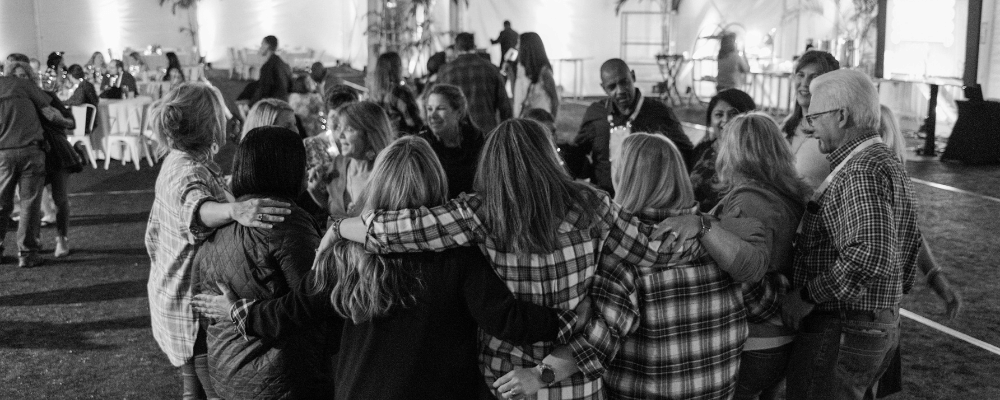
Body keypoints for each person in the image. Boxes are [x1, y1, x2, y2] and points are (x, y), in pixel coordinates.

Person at [194, 135, 585, 399]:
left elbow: (298, 309)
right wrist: (571, 317)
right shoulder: (458, 256)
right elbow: (508, 320)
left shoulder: (347, 252)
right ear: (436, 182)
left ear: (378, 182)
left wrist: (238, 311)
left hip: (360, 388)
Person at [331, 119, 686, 400]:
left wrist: (341, 228)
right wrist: (702, 224)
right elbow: (655, 251)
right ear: (550, 156)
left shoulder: (478, 214)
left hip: (501, 381)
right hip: (574, 385)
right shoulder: (595, 206)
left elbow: (411, 229)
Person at [499, 131, 764, 399]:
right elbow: (760, 300)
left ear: (625, 178)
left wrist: (538, 374)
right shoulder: (718, 238)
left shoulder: (627, 255)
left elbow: (599, 342)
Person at [144, 82, 291, 400]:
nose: (227, 119)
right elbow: (197, 209)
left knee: (193, 388)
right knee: (215, 391)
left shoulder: (184, 161)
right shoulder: (185, 173)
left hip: (177, 299)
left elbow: (208, 186)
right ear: (208, 123)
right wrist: (235, 209)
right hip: (191, 311)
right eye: (221, 113)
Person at [780, 69, 921, 399]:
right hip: (873, 322)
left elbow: (870, 253)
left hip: (846, 325)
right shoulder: (883, 161)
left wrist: (807, 296)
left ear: (841, 116)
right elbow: (906, 249)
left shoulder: (861, 170)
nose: (812, 128)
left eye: (815, 117)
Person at [193, 126, 334, 399]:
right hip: (283, 381)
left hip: (228, 377)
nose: (308, 169)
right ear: (284, 167)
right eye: (302, 162)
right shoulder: (283, 219)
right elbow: (315, 304)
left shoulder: (219, 224)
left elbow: (204, 311)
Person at [699, 112, 809, 400]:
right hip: (783, 335)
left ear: (734, 152)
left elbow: (741, 271)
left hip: (756, 336)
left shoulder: (748, 200)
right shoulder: (789, 195)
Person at [565, 58, 693, 196]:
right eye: (612, 86)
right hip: (606, 200)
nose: (620, 90)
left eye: (624, 82)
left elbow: (685, 153)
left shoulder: (658, 112)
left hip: (645, 200)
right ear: (603, 88)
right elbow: (578, 153)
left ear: (633, 76)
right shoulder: (596, 114)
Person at [0, 64, 67, 267]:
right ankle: (27, 254)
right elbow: (49, 111)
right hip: (31, 150)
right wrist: (67, 123)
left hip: (3, 153)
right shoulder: (25, 85)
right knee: (29, 203)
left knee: (2, 204)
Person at [307, 101, 395, 221]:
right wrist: (314, 190)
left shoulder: (388, 174)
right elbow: (334, 211)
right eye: (340, 128)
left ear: (369, 134)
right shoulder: (339, 165)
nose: (340, 135)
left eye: (349, 129)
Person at [690, 89, 756, 211]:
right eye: (719, 114)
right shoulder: (702, 150)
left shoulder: (753, 159)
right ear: (710, 120)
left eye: (733, 114)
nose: (725, 120)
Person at [783, 50, 840, 188]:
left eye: (814, 77)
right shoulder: (787, 125)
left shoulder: (837, 132)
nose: (804, 83)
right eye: (800, 75)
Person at [416, 84, 485, 198]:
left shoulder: (475, 138)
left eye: (440, 108)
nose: (432, 115)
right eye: (429, 109)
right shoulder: (423, 144)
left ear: (458, 113)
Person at [437, 32, 513, 133]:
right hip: (487, 131)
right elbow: (505, 107)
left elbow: (436, 103)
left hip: (456, 134)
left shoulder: (445, 71)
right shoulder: (491, 68)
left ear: (456, 48)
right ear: (474, 46)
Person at [512, 32, 559, 119]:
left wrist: (551, 121)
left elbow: (555, 100)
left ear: (527, 47)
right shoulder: (522, 70)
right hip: (526, 121)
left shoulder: (544, 73)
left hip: (541, 123)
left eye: (519, 43)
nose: (516, 47)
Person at [251, 35, 293, 106]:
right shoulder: (285, 66)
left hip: (273, 107)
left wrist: (251, 105)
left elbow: (263, 90)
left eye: (262, 44)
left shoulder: (267, 67)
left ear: (267, 46)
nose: (260, 48)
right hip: (285, 105)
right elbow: (290, 88)